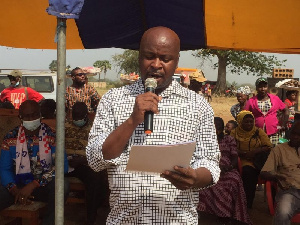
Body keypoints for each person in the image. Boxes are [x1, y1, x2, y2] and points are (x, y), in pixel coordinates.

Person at [86, 26, 220, 224]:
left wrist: (195, 177)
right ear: (139, 57)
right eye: (149, 56)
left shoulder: (198, 105)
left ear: (176, 61)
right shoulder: (113, 99)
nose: (156, 64)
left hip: (176, 220)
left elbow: (210, 162)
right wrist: (132, 121)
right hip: (125, 220)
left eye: (165, 59)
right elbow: (95, 159)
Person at [0, 100, 69, 225]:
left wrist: (33, 185)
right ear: (20, 117)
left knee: (62, 186)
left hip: (42, 186)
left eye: (35, 114)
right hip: (17, 186)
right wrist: (14, 189)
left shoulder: (52, 135)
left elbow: (62, 167)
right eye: (27, 116)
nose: (31, 119)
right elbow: (5, 169)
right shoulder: (10, 137)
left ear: (40, 115)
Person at [198, 117, 252, 225]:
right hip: (209, 168)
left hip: (227, 168)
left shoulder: (229, 139)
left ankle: (228, 214)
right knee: (206, 183)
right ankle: (215, 213)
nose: (215, 130)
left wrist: (229, 167)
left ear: (222, 128)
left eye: (218, 128)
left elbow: (235, 157)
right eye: (213, 127)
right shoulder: (204, 140)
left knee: (233, 180)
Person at [65, 102, 109, 225]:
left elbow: (98, 152)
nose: (77, 120)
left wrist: (83, 160)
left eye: (80, 117)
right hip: (64, 162)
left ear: (86, 115)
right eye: (75, 117)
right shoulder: (65, 126)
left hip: (84, 163)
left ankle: (91, 217)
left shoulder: (94, 129)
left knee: (96, 177)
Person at [260, 121, 300, 225]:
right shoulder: (279, 149)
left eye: (299, 135)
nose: (295, 137)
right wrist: (277, 177)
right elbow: (264, 173)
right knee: (283, 213)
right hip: (290, 190)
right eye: (293, 133)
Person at [231, 110, 272, 209]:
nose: (249, 124)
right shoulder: (234, 133)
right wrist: (244, 153)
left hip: (258, 160)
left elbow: (268, 146)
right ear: (240, 122)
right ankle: (243, 204)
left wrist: (255, 151)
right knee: (248, 173)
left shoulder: (258, 131)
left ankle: (247, 205)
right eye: (246, 122)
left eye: (251, 121)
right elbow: (230, 147)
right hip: (242, 161)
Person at [244, 77, 289, 146]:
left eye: (264, 86)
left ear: (267, 87)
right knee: (259, 152)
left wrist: (284, 124)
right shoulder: (251, 101)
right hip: (257, 133)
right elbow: (244, 115)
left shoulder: (275, 99)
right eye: (260, 87)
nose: (262, 89)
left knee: (273, 152)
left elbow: (286, 110)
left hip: (273, 132)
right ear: (256, 88)